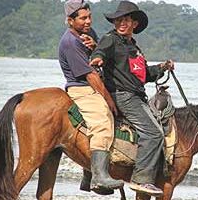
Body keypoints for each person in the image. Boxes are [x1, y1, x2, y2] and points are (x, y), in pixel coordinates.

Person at [90, 1, 174, 197]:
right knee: (154, 133)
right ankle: (142, 179)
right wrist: (98, 58)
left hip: (136, 95)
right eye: (118, 20)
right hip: (123, 95)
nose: (121, 23)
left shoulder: (133, 47)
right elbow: (100, 51)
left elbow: (144, 75)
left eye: (126, 20)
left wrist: (162, 67)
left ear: (134, 24)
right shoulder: (111, 39)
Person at [58, 0, 124, 194]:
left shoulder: (88, 34)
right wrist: (109, 101)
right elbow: (90, 75)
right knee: (102, 123)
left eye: (89, 17)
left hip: (93, 84)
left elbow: (96, 56)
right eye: (83, 18)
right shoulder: (70, 42)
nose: (88, 21)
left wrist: (95, 46)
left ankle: (89, 172)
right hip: (82, 88)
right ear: (70, 21)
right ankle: (97, 176)